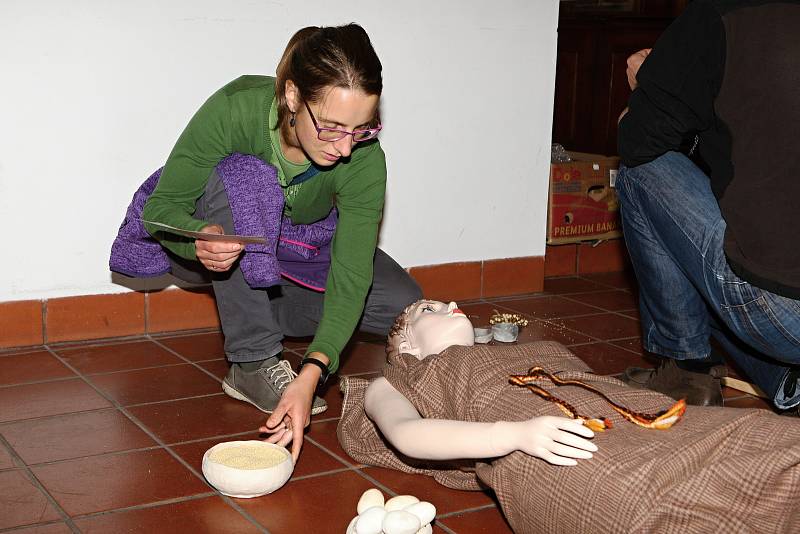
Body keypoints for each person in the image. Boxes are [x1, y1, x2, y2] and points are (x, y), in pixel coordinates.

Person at [139, 24, 421, 461]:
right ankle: (252, 359)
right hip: (223, 240)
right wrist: (197, 243)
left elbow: (350, 272)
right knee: (239, 179)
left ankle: (258, 309)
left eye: (361, 129)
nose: (346, 148)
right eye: (331, 127)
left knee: (402, 306)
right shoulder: (235, 110)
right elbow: (161, 211)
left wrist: (314, 370)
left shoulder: (364, 158)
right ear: (292, 97)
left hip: (302, 251)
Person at [334, 300, 800, 533]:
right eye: (429, 308)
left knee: (764, 437)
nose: (452, 305)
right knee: (644, 502)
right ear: (407, 344)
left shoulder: (522, 347)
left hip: (642, 416)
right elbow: (406, 434)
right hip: (544, 445)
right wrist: (514, 435)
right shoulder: (398, 381)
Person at [615, 1, 800, 409]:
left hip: (787, 319)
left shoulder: (720, 16)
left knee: (642, 171)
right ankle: (784, 376)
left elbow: (639, 142)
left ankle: (687, 370)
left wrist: (648, 83)